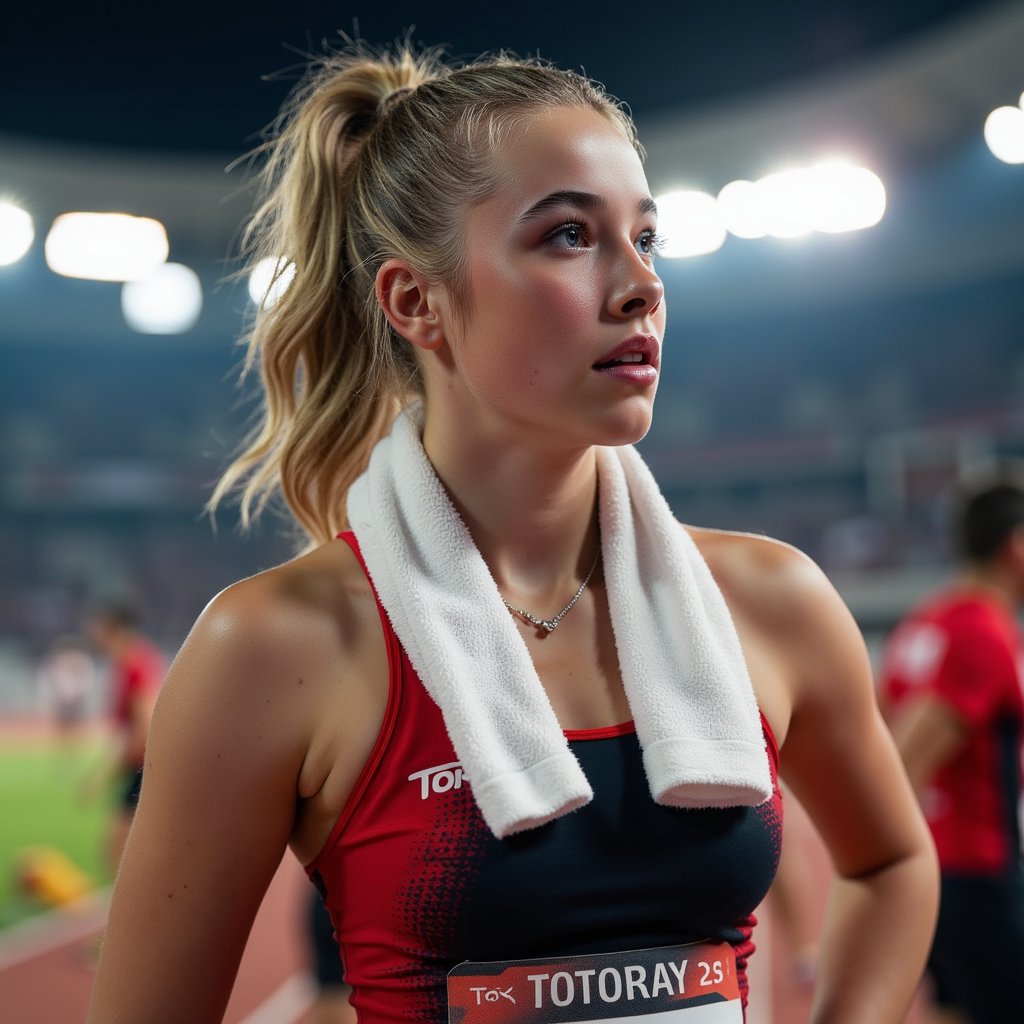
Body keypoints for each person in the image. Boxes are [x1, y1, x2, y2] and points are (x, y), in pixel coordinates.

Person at [86, 44, 937, 1024]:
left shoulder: (769, 599)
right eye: (569, 235)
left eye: (646, 237)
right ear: (417, 302)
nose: (640, 285)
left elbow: (892, 860)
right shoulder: (274, 647)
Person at [879, 471, 1024, 1023]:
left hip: (943, 869)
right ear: (1016, 545)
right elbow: (907, 759)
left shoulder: (927, 620)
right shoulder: (982, 632)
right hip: (976, 868)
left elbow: (880, 722)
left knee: (953, 1008)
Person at [82, 598, 165, 877]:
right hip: (142, 763)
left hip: (142, 764)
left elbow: (144, 721)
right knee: (129, 844)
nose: (92, 632)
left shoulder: (134, 663)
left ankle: (128, 914)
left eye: (97, 626)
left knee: (118, 843)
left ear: (112, 627)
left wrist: (105, 775)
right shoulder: (131, 661)